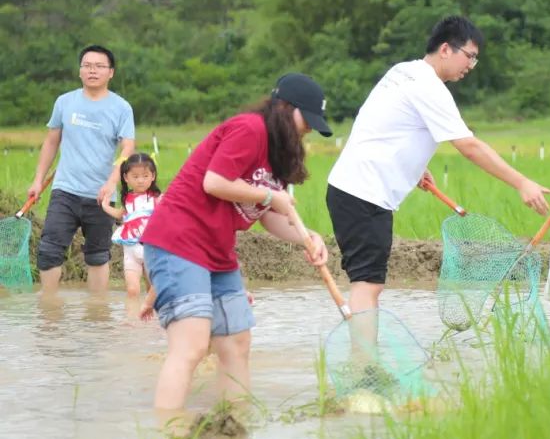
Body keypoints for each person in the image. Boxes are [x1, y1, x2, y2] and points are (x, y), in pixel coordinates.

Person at [326, 15, 550, 336]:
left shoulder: (403, 71)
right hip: (364, 195)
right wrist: (521, 182)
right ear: (446, 49)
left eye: (475, 59)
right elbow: (469, 146)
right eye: (469, 56)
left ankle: (365, 363)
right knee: (367, 287)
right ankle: (365, 371)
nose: (471, 66)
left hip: (352, 189)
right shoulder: (429, 87)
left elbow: (384, 125)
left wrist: (415, 166)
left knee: (368, 284)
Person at [139, 73, 332, 412]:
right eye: (308, 120)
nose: (309, 130)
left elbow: (268, 214)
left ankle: (233, 431)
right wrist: (270, 196)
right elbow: (214, 182)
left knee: (238, 343)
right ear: (286, 108)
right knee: (192, 345)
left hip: (217, 253)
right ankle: (166, 438)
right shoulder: (250, 128)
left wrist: (308, 238)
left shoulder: (279, 154)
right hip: (179, 241)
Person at [29, 45, 135, 295]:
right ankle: (49, 307)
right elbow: (51, 141)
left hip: (101, 195)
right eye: (87, 65)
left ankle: (97, 312)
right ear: (80, 71)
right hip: (65, 190)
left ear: (111, 72)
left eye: (99, 66)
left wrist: (112, 182)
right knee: (49, 250)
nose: (92, 70)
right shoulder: (65, 102)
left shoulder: (121, 108)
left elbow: (127, 148)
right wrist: (37, 180)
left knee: (97, 255)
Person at [99, 152, 162, 313]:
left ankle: (153, 324)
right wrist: (106, 207)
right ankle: (131, 323)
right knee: (132, 291)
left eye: (145, 176)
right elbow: (123, 215)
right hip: (130, 251)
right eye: (135, 176)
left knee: (152, 291)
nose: (140, 180)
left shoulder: (158, 199)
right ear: (126, 178)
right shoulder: (127, 199)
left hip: (151, 251)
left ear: (152, 176)